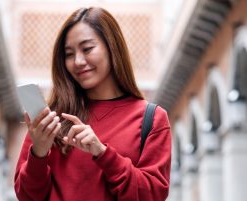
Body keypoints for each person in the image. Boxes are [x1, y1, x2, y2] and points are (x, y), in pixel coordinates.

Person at [14, 7, 171, 201]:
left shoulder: (152, 118)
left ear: (112, 47)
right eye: (69, 54)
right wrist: (38, 152)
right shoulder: (50, 120)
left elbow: (152, 196)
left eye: (87, 49)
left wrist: (102, 153)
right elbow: (26, 196)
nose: (78, 61)